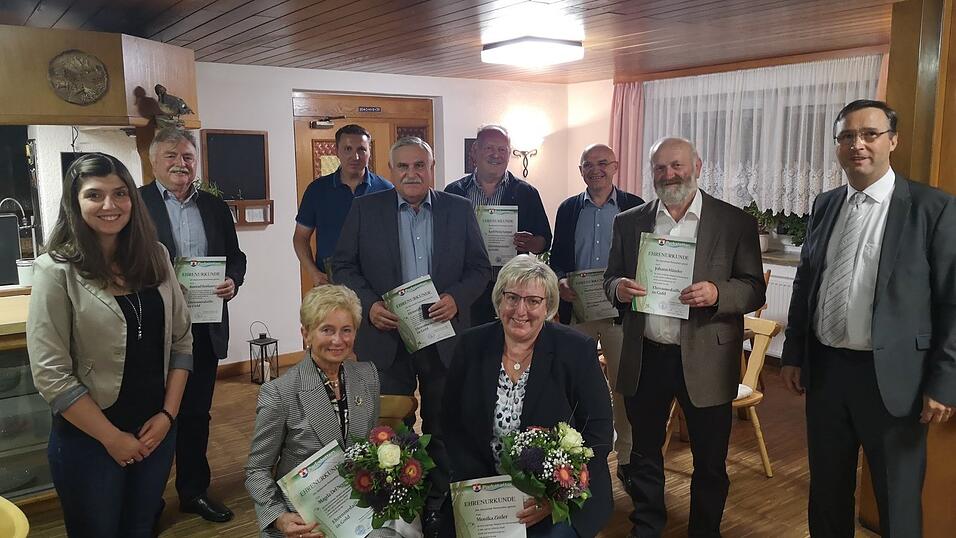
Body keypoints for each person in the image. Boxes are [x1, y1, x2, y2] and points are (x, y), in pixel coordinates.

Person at [780, 99, 956, 537]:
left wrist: (944, 382)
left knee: (897, 501)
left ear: (892, 141)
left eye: (869, 134)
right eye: (846, 136)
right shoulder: (825, 205)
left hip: (896, 381)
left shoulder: (933, 209)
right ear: (837, 145)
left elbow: (952, 302)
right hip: (827, 374)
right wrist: (794, 354)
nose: (857, 144)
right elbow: (806, 284)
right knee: (827, 493)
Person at [604, 137, 766, 537]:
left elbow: (752, 288)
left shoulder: (733, 222)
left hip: (707, 361)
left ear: (698, 165)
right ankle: (647, 525)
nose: (668, 174)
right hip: (647, 355)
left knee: (710, 460)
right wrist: (619, 289)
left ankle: (704, 531)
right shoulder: (630, 221)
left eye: (676, 166)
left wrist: (716, 293)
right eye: (659, 168)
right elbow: (610, 280)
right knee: (643, 454)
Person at [27, 153, 193, 537]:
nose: (109, 205)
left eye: (120, 193)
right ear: (75, 202)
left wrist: (168, 415)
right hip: (90, 439)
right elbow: (51, 374)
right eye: (94, 195)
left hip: (154, 431)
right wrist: (112, 438)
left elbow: (181, 340)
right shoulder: (55, 270)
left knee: (141, 527)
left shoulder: (157, 257)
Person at [332, 136, 491, 536]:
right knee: (389, 429)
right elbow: (344, 266)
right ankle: (400, 511)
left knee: (441, 426)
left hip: (444, 339)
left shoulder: (458, 209)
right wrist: (368, 305)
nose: (411, 173)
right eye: (403, 167)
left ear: (432, 168)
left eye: (420, 165)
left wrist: (456, 298)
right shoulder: (365, 209)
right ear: (390, 171)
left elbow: (479, 268)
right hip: (386, 340)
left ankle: (436, 507)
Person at [442, 255, 613, 538]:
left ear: (547, 307)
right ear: (499, 300)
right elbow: (450, 423)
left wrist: (555, 494)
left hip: (558, 495)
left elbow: (599, 431)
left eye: (533, 301)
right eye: (512, 298)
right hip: (484, 492)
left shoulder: (576, 350)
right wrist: (484, 490)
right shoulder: (470, 346)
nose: (520, 310)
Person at [141, 127, 248, 523]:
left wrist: (233, 280)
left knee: (196, 415)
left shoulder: (216, 208)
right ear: (154, 161)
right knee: (151, 417)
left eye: (187, 156)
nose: (180, 164)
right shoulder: (135, 204)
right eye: (171, 156)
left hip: (203, 328)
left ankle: (193, 491)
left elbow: (236, 258)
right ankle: (148, 503)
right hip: (151, 332)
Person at [245, 285, 380, 538]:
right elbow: (256, 470)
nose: (338, 340)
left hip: (355, 510)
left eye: (346, 330)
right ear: (305, 334)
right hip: (304, 521)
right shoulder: (279, 393)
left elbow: (369, 450)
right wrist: (279, 518)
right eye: (327, 330)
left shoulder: (368, 376)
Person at [549, 143, 644, 485]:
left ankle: (629, 459)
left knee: (624, 387)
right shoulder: (568, 209)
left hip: (622, 314)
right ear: (580, 171)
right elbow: (557, 256)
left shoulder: (636, 206)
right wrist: (559, 280)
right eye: (587, 164)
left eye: (602, 163)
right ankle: (576, 457)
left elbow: (643, 260)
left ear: (615, 166)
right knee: (576, 385)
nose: (595, 169)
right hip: (581, 312)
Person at [445, 125, 552, 326]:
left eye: (502, 149)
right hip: (466, 287)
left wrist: (530, 243)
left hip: (511, 288)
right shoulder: (454, 192)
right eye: (489, 148)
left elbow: (544, 241)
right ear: (474, 151)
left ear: (509, 154)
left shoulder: (527, 193)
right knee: (470, 345)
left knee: (505, 343)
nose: (496, 155)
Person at [293, 124, 393, 286]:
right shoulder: (317, 190)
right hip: (331, 282)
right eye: (347, 149)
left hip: (375, 283)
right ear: (336, 151)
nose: (355, 156)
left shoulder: (386, 189)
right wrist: (313, 272)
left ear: (369, 152)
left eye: (362, 149)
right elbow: (300, 238)